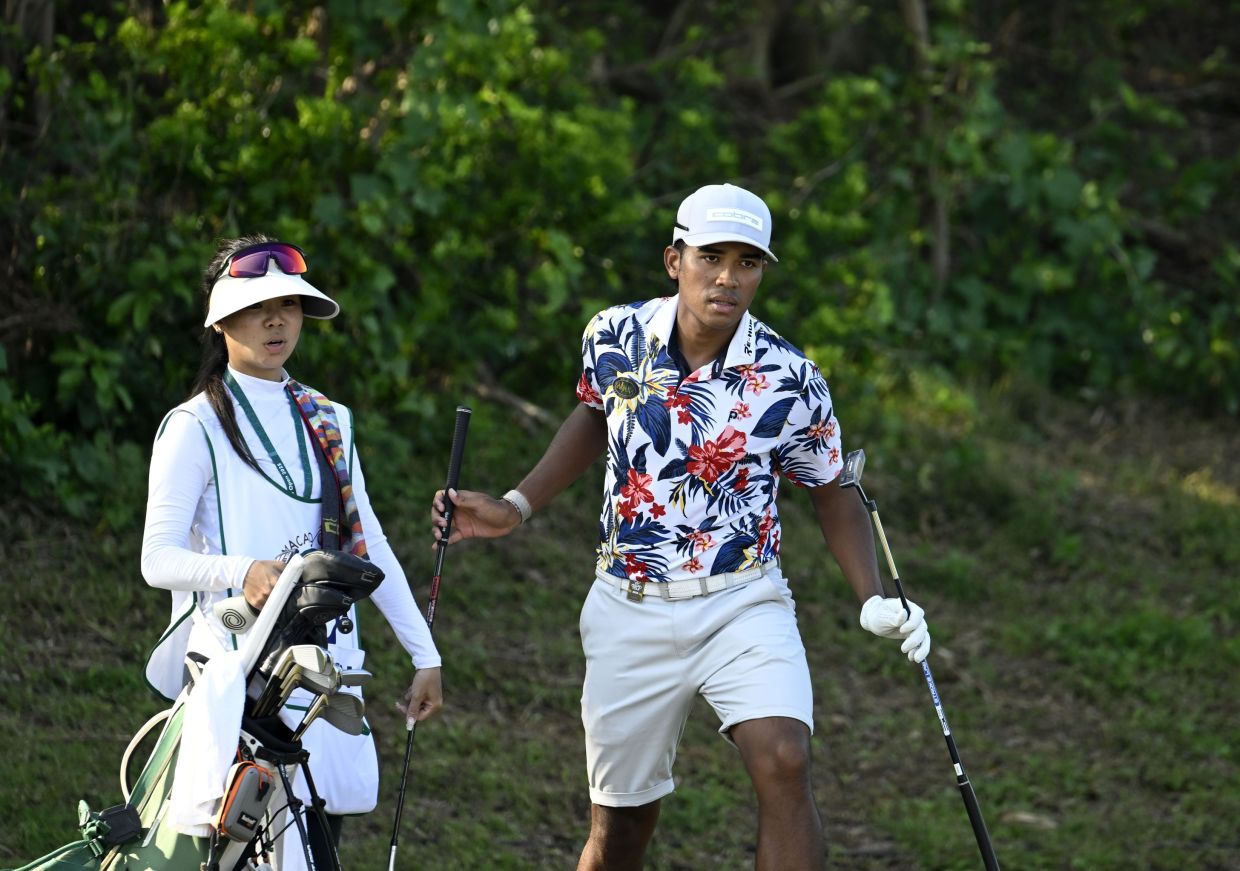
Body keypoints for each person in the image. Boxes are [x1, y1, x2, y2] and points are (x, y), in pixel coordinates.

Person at [432, 183, 932, 870]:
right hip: (627, 605)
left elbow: (830, 485)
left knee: (785, 757)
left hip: (742, 598)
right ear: (675, 259)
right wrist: (516, 505)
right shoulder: (614, 334)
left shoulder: (790, 376)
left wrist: (872, 597)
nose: (728, 277)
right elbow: (595, 413)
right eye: (712, 257)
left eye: (748, 262)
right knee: (621, 830)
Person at [141, 235, 443, 867]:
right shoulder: (193, 426)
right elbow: (158, 558)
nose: (276, 320)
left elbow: (370, 543)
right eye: (257, 307)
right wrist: (241, 571)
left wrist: (425, 653)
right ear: (221, 322)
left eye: (289, 305)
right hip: (236, 679)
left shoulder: (329, 419)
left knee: (320, 845)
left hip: (322, 678)